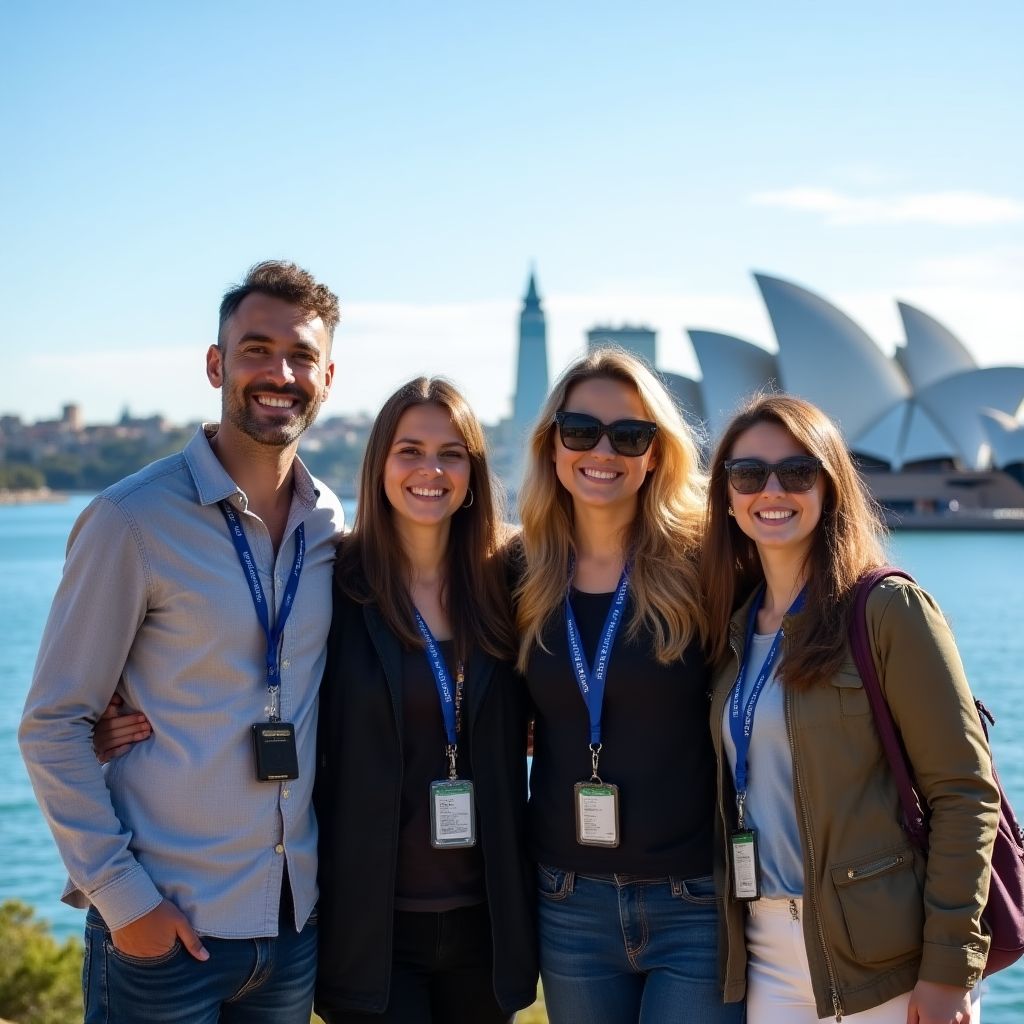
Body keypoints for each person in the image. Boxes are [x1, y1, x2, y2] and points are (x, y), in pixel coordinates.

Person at [19, 260, 344, 1024]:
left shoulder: (332, 524)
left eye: (301, 356)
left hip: (292, 931)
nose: (280, 372)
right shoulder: (130, 520)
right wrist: (125, 904)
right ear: (215, 364)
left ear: (328, 377)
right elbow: (54, 725)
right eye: (257, 349)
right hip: (167, 934)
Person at [701, 393, 1000, 1024]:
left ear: (830, 485)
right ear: (727, 494)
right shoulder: (730, 633)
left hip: (887, 958)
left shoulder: (888, 610)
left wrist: (948, 971)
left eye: (798, 472)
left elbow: (965, 793)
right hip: (766, 953)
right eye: (749, 474)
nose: (772, 489)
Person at [512, 348, 743, 1024]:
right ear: (552, 446)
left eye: (630, 435)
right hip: (568, 901)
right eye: (580, 431)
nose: (602, 451)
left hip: (694, 899)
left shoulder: (711, 565)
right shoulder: (519, 572)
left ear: (655, 454)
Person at [311, 377, 537, 1022]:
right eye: (409, 450)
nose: (430, 470)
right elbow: (249, 666)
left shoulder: (514, 579)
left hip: (488, 929)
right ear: (379, 463)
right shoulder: (335, 583)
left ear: (473, 471)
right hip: (371, 930)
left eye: (451, 453)